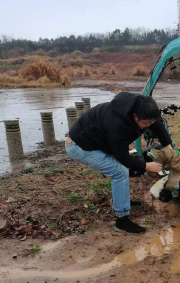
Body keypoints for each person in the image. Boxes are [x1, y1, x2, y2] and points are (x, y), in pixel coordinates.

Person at [65, 92, 172, 234]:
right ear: (135, 116)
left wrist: (169, 147)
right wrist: (147, 166)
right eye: (145, 123)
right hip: (80, 146)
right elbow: (121, 156)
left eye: (149, 123)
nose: (147, 126)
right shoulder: (117, 124)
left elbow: (156, 125)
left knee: (123, 169)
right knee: (120, 171)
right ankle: (122, 221)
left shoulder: (139, 109)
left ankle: (123, 201)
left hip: (99, 142)